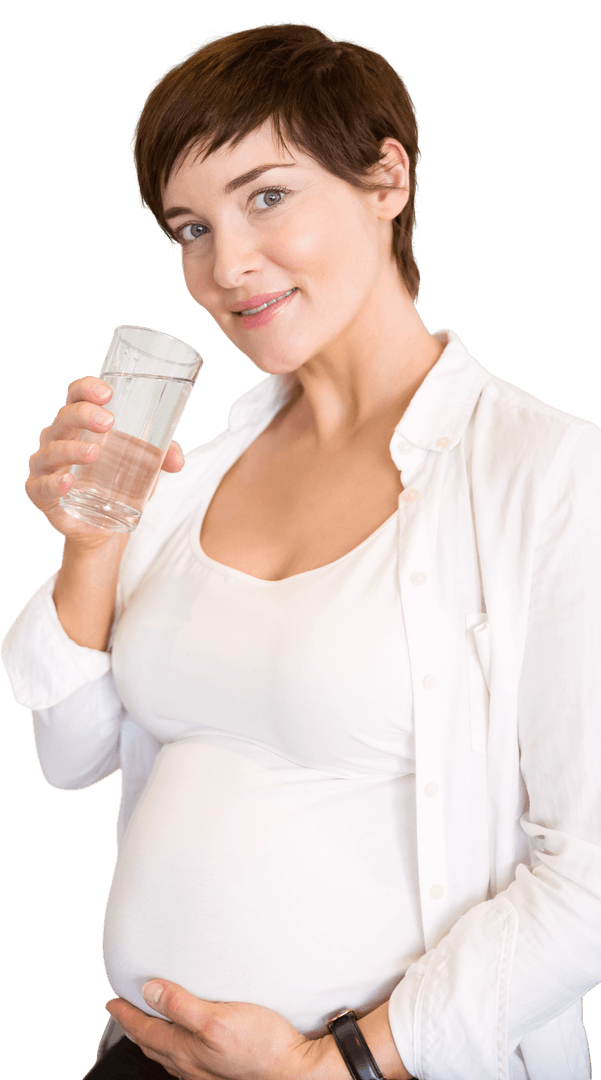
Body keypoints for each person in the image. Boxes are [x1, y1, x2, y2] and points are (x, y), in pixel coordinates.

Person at [2, 19, 601, 1080]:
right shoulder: (193, 473)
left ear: (385, 178)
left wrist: (341, 1066)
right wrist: (91, 540)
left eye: (267, 196)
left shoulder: (546, 474)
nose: (227, 263)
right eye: (189, 227)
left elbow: (589, 879)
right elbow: (71, 755)